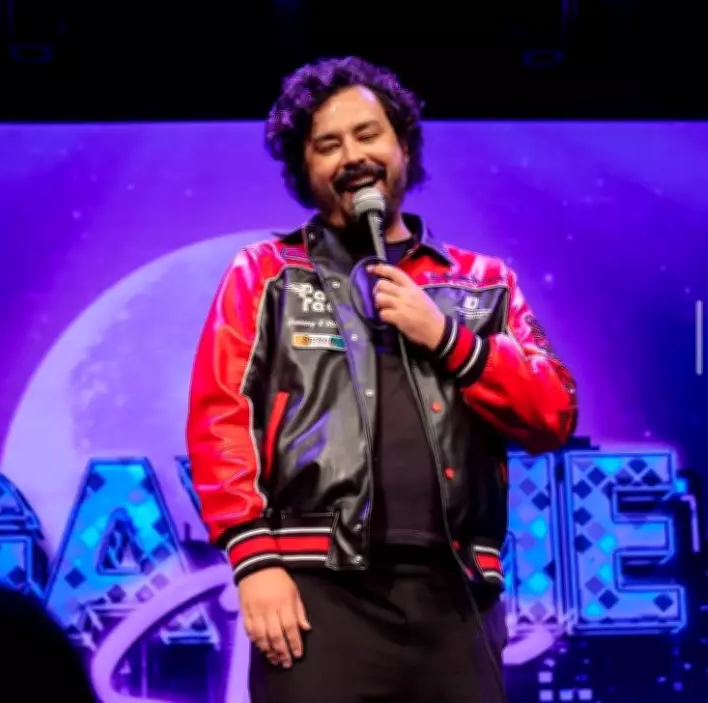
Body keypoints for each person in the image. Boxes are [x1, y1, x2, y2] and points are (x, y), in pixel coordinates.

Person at [186, 56, 577, 703]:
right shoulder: (265, 274)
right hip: (315, 591)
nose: (352, 156)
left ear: (403, 146)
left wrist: (447, 337)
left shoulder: (484, 283)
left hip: (457, 596)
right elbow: (218, 419)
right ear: (304, 169)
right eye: (327, 145)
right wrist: (254, 560)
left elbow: (553, 413)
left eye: (367, 134)